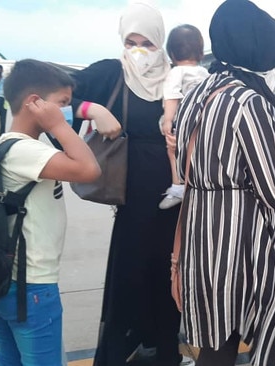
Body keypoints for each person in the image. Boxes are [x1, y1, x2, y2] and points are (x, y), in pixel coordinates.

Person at [171, 1, 275, 365]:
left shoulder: (197, 94)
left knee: (218, 340)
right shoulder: (250, 102)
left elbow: (184, 165)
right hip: (243, 238)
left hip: (201, 234)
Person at [66, 3, 190, 365]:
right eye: (131, 41)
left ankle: (164, 348)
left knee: (169, 273)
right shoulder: (111, 72)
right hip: (131, 199)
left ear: (161, 42)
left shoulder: (177, 76)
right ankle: (125, 349)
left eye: (147, 42)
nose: (139, 50)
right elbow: (53, 97)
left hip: (175, 200)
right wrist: (92, 110)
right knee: (131, 273)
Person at [0, 58, 101, 365]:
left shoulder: (10, 146)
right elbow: (89, 169)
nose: (66, 109)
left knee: (11, 360)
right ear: (34, 103)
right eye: (62, 103)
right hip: (32, 287)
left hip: (10, 284)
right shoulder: (26, 151)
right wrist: (59, 126)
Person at [158, 24, 209, 210]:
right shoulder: (205, 73)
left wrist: (168, 120)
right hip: (202, 120)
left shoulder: (175, 73)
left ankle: (178, 186)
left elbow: (172, 97)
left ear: (171, 53)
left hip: (181, 121)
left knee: (173, 151)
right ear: (201, 53)